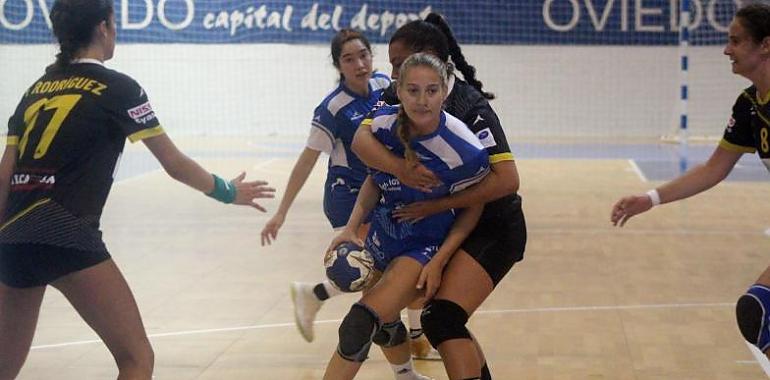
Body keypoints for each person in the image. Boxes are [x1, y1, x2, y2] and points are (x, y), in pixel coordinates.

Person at [0, 1, 274, 379]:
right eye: (113, 23)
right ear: (103, 28)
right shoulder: (119, 88)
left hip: (15, 236)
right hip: (67, 234)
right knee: (136, 358)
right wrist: (228, 191)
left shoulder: (32, 93)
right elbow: (174, 164)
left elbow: (4, 178)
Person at [352, 13, 527, 380]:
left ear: (431, 61)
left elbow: (508, 180)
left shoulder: (469, 107)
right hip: (447, 223)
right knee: (438, 318)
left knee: (441, 318)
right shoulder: (399, 93)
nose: (395, 74)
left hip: (494, 225)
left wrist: (437, 203)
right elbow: (363, 141)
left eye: (400, 64)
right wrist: (400, 171)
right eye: (396, 68)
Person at [259, 29, 437, 361]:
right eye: (349, 58)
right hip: (348, 199)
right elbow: (306, 161)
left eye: (364, 55)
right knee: (388, 276)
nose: (359, 63)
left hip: (382, 193)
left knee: (401, 268)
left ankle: (317, 296)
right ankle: (407, 349)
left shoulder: (385, 83)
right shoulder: (332, 108)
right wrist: (282, 211)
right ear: (338, 65)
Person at [610, 2, 770, 359]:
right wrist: (649, 199)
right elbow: (714, 168)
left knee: (759, 310)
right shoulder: (749, 105)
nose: (726, 50)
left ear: (766, 45)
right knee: (757, 312)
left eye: (736, 41)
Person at [322, 52, 489, 380]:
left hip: (421, 248)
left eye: (431, 90)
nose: (422, 100)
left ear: (444, 91)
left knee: (358, 324)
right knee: (385, 323)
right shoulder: (384, 123)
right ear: (398, 91)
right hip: (382, 235)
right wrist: (351, 229)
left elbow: (474, 206)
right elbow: (374, 177)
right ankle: (406, 375)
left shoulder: (464, 150)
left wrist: (441, 260)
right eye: (413, 90)